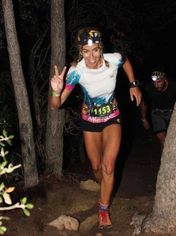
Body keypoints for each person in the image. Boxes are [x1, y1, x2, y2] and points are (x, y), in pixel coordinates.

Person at [49, 28, 142, 229]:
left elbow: (125, 60)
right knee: (96, 167)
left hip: (112, 117)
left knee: (109, 166)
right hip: (89, 121)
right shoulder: (77, 71)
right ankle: (105, 188)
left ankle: (103, 209)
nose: (91, 56)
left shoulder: (113, 60)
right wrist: (56, 92)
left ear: (101, 48)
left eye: (95, 50)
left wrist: (133, 84)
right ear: (80, 51)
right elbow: (56, 105)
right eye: (85, 51)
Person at [140, 69, 176, 151]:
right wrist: (144, 119)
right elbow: (144, 104)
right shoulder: (149, 88)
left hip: (172, 113)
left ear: (165, 79)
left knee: (174, 139)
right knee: (163, 141)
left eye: (159, 81)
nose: (156, 85)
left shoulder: (174, 86)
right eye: (154, 82)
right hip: (157, 113)